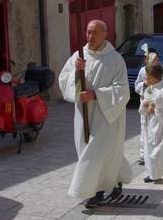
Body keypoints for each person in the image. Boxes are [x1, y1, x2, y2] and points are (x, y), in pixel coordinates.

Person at [58, 19, 132, 209]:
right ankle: (115, 179)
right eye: (88, 32)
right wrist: (76, 71)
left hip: (107, 116)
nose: (90, 37)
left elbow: (122, 90)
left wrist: (96, 94)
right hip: (84, 116)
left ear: (105, 35)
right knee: (92, 151)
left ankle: (93, 193)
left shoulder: (115, 59)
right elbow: (64, 80)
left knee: (94, 153)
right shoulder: (79, 56)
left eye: (95, 33)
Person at [138, 63, 163, 183]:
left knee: (160, 150)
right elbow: (143, 106)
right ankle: (153, 173)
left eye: (147, 76)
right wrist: (144, 105)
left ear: (153, 77)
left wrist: (155, 110)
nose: (145, 79)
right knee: (149, 149)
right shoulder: (149, 89)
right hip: (150, 124)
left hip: (162, 125)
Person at [134, 48, 163, 165]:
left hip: (158, 103)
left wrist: (156, 93)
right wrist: (145, 85)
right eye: (147, 57)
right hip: (146, 101)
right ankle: (144, 153)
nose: (150, 59)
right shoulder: (142, 70)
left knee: (157, 131)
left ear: (157, 58)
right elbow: (137, 85)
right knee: (144, 128)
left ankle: (159, 154)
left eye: (153, 57)